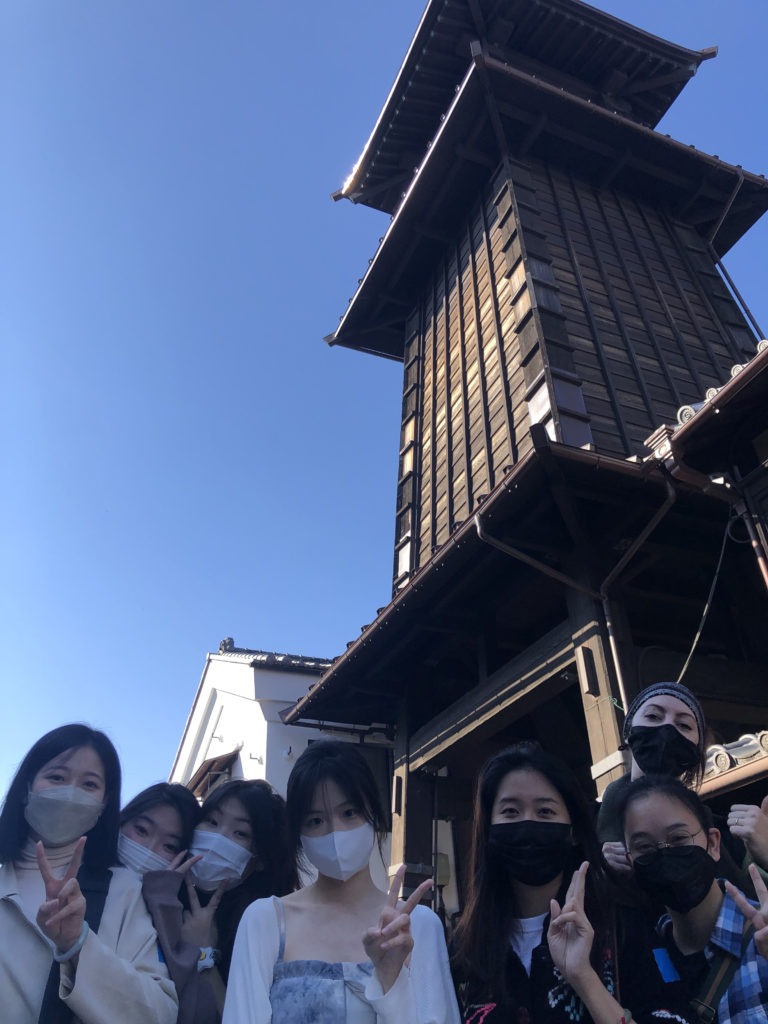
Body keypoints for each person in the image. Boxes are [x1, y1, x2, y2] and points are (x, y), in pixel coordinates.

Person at [450, 743, 694, 1024]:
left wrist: (584, 978)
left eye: (545, 812)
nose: (528, 822)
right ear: (488, 829)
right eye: (511, 812)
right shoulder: (464, 947)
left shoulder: (622, 923)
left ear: (574, 830)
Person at [223, 740, 461, 1024]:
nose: (335, 831)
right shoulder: (264, 920)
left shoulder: (415, 924)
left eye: (349, 813)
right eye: (315, 820)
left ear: (374, 813)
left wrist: (391, 981)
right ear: (298, 832)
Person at [0, 723, 177, 1024]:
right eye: (57, 777)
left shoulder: (122, 889)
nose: (70, 794)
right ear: (27, 787)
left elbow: (159, 1013)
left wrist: (77, 943)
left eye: (89, 785)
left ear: (104, 803)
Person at [618, 774, 768, 1023]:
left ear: (713, 844)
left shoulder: (762, 938)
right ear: (630, 862)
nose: (665, 854)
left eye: (678, 838)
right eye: (645, 847)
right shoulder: (639, 960)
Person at [597, 681, 761, 883]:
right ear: (629, 732)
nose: (667, 728)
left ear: (696, 751)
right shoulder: (588, 826)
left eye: (684, 725)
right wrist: (602, 872)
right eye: (653, 716)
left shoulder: (725, 837)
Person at [181, 778, 298, 1017]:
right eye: (212, 821)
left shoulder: (271, 926)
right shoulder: (167, 894)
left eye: (240, 833)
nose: (218, 839)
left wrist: (204, 954)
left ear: (261, 859)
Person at [120, 781, 222, 1024]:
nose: (149, 849)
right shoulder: (74, 878)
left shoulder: (184, 916)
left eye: (169, 846)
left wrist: (162, 898)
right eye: (142, 830)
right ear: (122, 821)